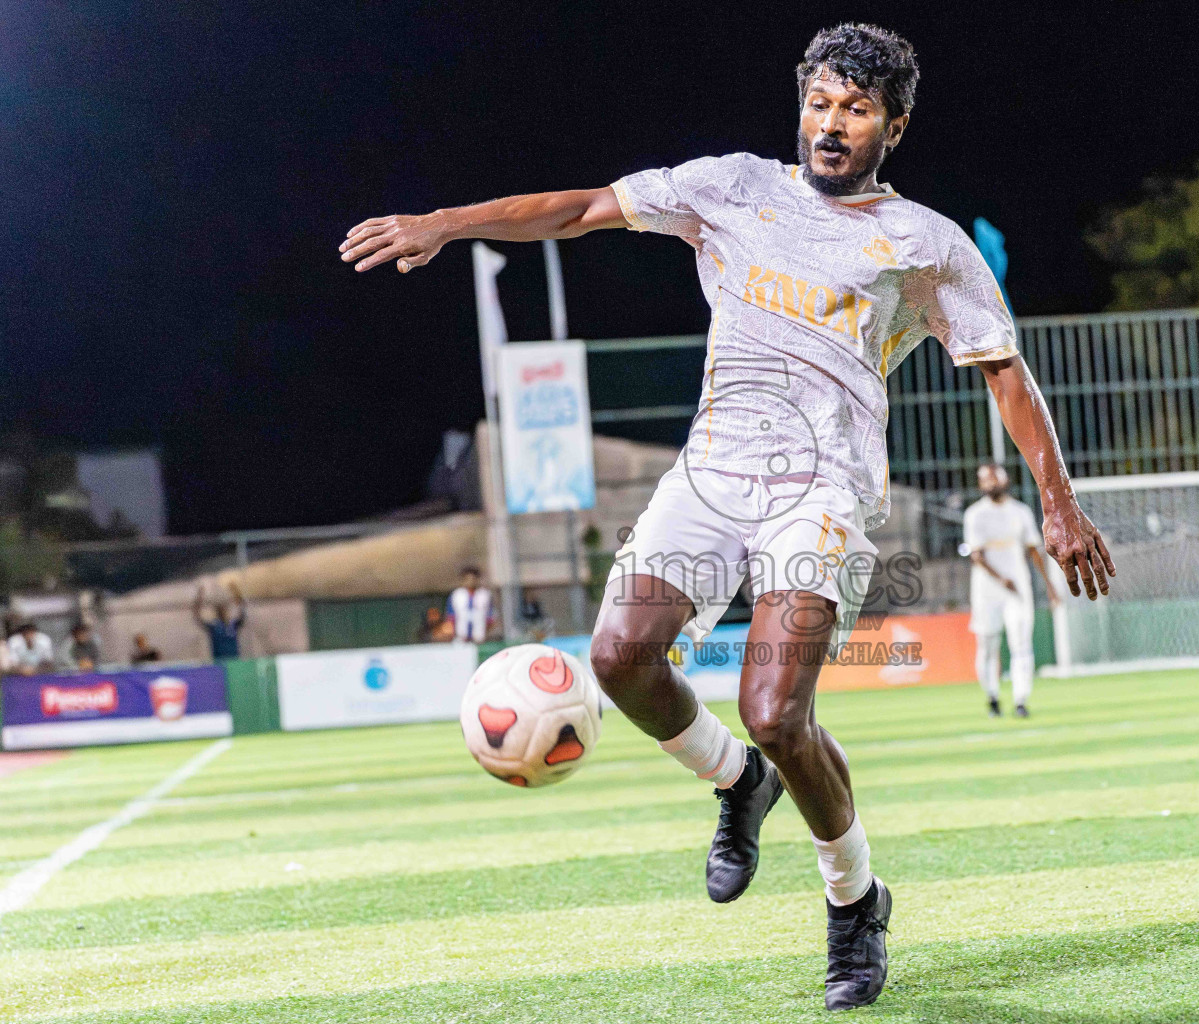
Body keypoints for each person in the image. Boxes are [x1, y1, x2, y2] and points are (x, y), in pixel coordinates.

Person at [340, 23, 1114, 1010]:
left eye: (858, 110)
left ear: (895, 126)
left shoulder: (927, 243)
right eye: (822, 103)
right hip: (710, 477)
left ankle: (854, 900)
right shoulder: (731, 187)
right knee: (619, 655)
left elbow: (1003, 372)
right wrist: (447, 221)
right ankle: (736, 784)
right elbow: (582, 207)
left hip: (822, 495)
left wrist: (1059, 503)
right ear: (802, 103)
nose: (832, 126)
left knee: (776, 711)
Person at [964, 463, 1059, 718]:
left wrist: (1050, 586)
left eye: (995, 478)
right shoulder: (975, 514)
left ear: (1006, 481)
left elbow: (1033, 550)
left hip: (1018, 588)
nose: (991, 483)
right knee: (988, 644)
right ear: (980, 484)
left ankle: (1020, 700)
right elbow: (977, 555)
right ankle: (992, 696)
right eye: (986, 480)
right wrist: (1001, 579)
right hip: (987, 590)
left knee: (1021, 644)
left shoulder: (1020, 511)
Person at [194, 581, 246, 660]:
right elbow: (198, 617)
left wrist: (237, 594)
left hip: (235, 663)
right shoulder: (214, 627)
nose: (223, 611)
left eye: (224, 609)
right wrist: (199, 598)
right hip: (220, 664)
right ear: (217, 612)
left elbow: (243, 613)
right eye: (220, 609)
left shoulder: (233, 625)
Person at [448, 567, 495, 643]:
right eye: (467, 579)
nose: (470, 581)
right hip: (461, 638)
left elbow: (490, 618)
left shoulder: (484, 595)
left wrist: (485, 633)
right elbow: (451, 617)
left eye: (473, 579)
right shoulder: (457, 595)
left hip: (480, 638)